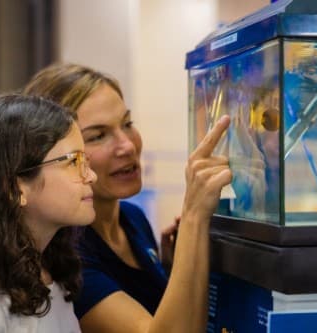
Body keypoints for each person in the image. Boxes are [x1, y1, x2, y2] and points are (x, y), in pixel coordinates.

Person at [23, 63, 232, 332]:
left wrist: (171, 266)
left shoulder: (133, 218)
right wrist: (194, 217)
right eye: (98, 136)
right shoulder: (66, 252)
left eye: (127, 124)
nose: (128, 145)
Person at [0, 94, 97, 332]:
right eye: (73, 162)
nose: (91, 176)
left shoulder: (48, 271)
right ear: (14, 186)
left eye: (85, 160)